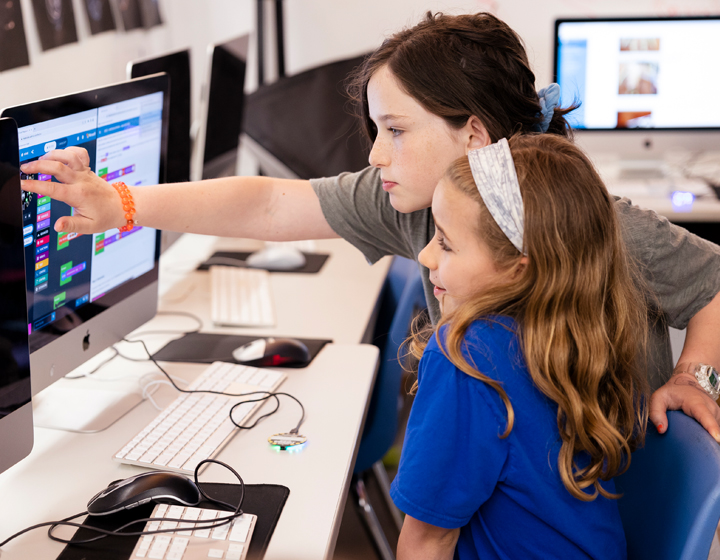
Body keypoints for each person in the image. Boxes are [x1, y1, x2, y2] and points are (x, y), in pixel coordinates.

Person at [20, 12, 720, 437]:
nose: (374, 154)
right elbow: (268, 204)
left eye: (395, 130)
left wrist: (696, 375)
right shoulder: (413, 204)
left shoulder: (594, 225)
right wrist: (124, 205)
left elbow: (714, 281)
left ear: (473, 135)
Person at [392, 134, 647, 560]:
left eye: (446, 243)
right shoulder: (580, 339)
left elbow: (428, 542)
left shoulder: (467, 359)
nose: (424, 255)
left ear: (517, 270)